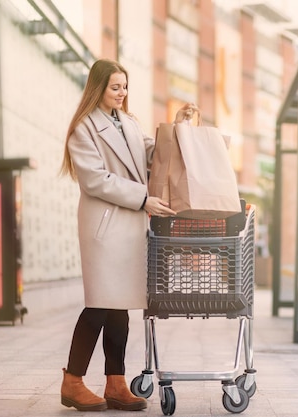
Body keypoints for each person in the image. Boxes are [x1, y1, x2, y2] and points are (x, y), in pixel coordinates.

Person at [59, 58, 196, 411]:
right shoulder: (83, 128)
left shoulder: (130, 123)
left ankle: (116, 383)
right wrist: (144, 199)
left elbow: (155, 156)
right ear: (98, 88)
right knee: (100, 305)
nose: (122, 93)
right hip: (105, 226)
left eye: (124, 87)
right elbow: (95, 179)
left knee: (120, 309)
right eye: (115, 87)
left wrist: (178, 127)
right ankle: (72, 382)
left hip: (130, 225)